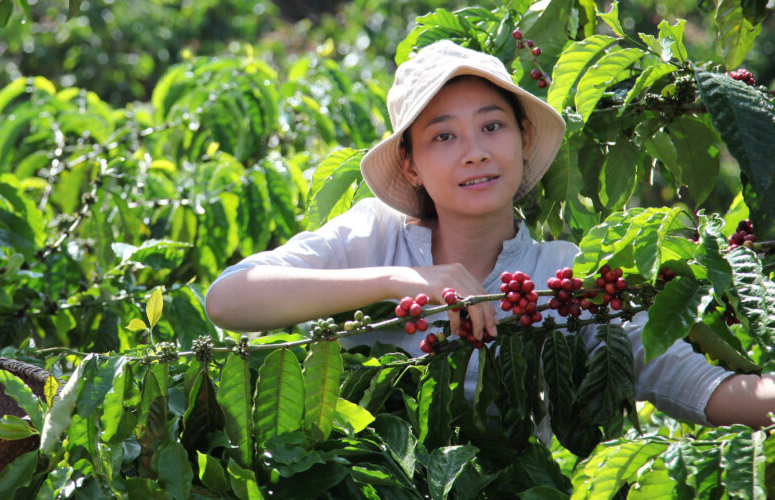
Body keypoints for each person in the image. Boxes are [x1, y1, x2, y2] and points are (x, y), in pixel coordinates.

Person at [204, 40, 775, 428]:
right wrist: (405, 279)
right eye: (443, 137)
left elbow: (703, 389)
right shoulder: (371, 237)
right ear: (410, 165)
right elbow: (228, 299)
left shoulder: (564, 278)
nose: (475, 151)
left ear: (523, 137)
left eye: (492, 126)